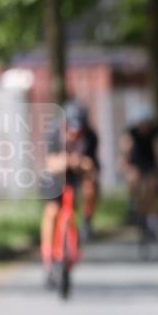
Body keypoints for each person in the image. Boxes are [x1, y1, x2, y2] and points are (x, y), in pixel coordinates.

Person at [40, 101, 100, 287]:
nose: (74, 133)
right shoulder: (53, 134)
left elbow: (91, 166)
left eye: (78, 129)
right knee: (52, 213)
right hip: (55, 178)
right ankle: (49, 259)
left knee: (91, 185)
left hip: (76, 175)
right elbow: (51, 164)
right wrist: (67, 161)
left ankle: (87, 222)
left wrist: (79, 163)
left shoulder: (90, 136)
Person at [118, 104, 158, 240]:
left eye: (146, 123)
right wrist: (124, 165)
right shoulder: (131, 133)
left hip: (151, 165)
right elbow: (124, 151)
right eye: (141, 123)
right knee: (133, 179)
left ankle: (153, 223)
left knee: (151, 190)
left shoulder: (156, 133)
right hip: (136, 164)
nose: (144, 127)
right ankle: (132, 203)